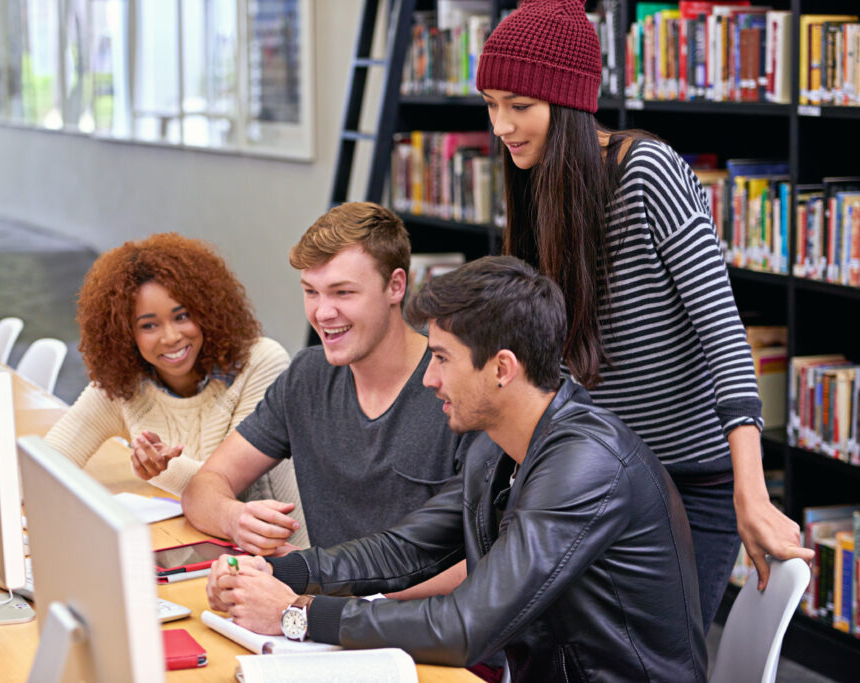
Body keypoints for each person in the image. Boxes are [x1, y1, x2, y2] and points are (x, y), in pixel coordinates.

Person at [206, 256, 707, 682]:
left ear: (502, 369)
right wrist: (272, 571)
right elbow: (405, 550)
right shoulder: (501, 442)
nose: (428, 378)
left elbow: (465, 626)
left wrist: (296, 614)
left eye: (442, 358)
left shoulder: (585, 465)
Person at [474, 0, 812, 628]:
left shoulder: (647, 172)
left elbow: (724, 337)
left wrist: (753, 489)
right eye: (492, 105)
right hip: (598, 474)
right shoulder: (533, 183)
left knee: (655, 658)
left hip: (691, 483)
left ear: (569, 102)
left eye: (520, 106)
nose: (502, 126)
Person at [183, 202, 476, 570]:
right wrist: (235, 519)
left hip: (414, 620)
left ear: (396, 286)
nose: (322, 313)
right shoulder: (307, 377)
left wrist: (318, 584)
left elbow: (479, 565)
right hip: (323, 609)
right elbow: (204, 485)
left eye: (343, 293)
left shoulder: (458, 388)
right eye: (311, 291)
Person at [42, 233, 307, 548]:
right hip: (197, 550)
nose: (170, 337)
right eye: (149, 325)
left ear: (207, 311)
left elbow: (235, 492)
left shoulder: (260, 362)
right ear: (125, 334)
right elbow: (45, 466)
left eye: (182, 316)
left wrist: (164, 470)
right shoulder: (123, 385)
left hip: (288, 561)